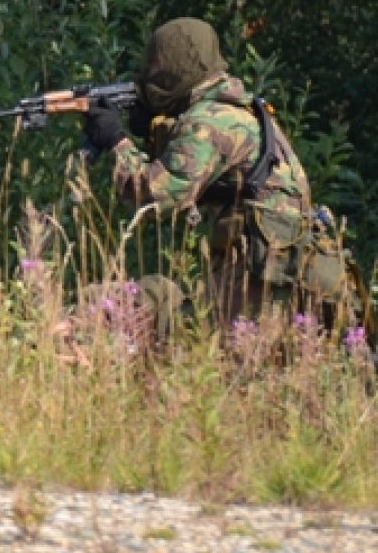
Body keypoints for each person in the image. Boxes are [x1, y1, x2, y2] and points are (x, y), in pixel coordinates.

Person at [80, 17, 356, 324]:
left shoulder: (207, 122)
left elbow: (156, 196)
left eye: (159, 66)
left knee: (134, 308)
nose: (150, 77)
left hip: (259, 290)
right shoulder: (234, 111)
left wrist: (117, 141)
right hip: (274, 282)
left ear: (180, 65)